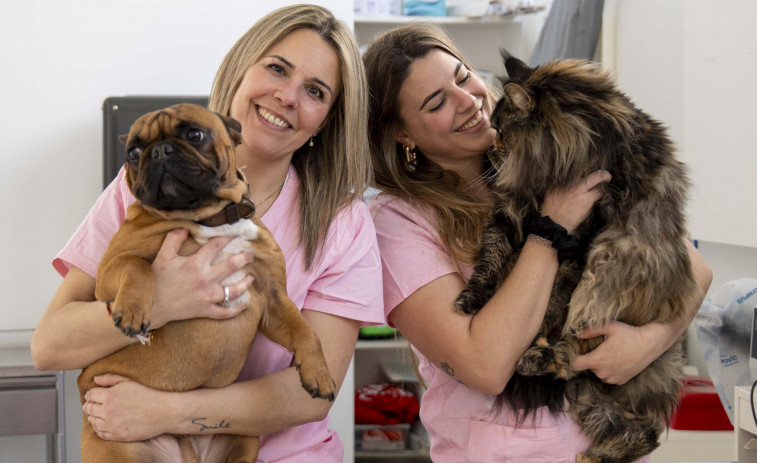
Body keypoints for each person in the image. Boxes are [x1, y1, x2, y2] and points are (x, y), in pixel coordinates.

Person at [31, 5, 384, 462]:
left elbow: (313, 392)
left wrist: (167, 412)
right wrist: (161, 299)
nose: (287, 96)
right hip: (132, 441)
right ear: (241, 68)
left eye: (315, 91)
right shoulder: (139, 196)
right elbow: (49, 345)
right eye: (277, 68)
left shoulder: (342, 222)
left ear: (327, 120)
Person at [363, 22, 712, 463]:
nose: (469, 101)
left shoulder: (542, 155)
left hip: (610, 444)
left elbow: (694, 270)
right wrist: (549, 230)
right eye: (437, 102)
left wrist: (648, 341)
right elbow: (485, 367)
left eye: (462, 76)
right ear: (402, 134)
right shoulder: (396, 221)